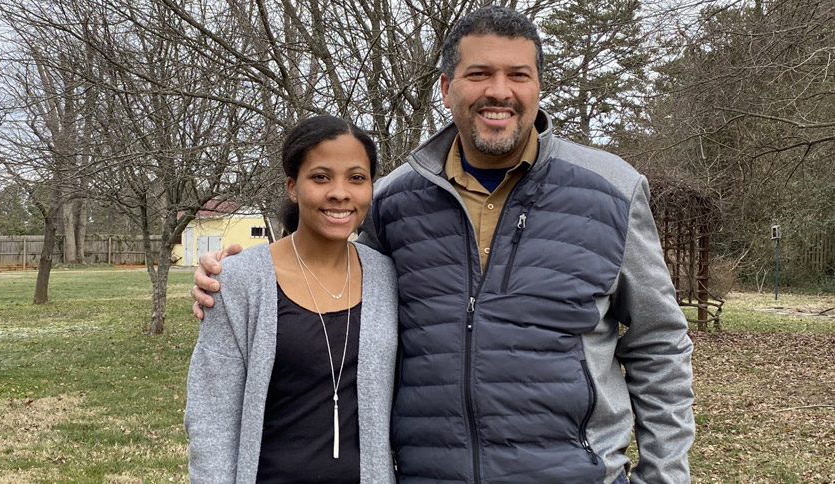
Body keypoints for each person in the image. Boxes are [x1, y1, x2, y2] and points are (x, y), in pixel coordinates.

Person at [192, 7, 695, 484]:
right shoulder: (392, 199)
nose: (499, 91)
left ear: (538, 87)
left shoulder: (613, 189)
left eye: (518, 75)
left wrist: (665, 474)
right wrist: (239, 277)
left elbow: (659, 344)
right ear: (446, 87)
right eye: (479, 74)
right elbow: (329, 271)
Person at [184, 115, 398, 484]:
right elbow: (211, 417)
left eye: (356, 178)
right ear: (292, 187)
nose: (340, 192)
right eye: (320, 177)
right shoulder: (239, 280)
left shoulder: (388, 277)